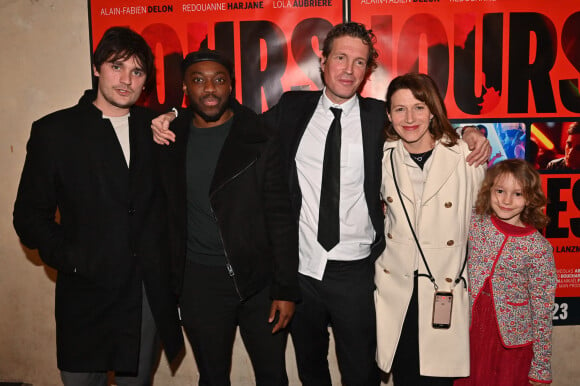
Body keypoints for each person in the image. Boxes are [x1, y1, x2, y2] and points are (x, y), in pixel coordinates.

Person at [151, 23, 490, 386]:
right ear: (323, 62)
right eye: (340, 58)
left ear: (368, 70)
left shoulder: (381, 119)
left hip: (357, 272)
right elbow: (234, 121)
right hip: (302, 271)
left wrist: (471, 133)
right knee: (311, 370)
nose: (348, 69)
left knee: (362, 373)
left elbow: (424, 127)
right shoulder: (293, 109)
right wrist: (175, 113)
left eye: (359, 62)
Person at [13, 27, 184, 385]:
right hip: (84, 292)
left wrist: (173, 114)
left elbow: (212, 113)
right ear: (96, 68)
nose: (126, 80)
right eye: (116, 66)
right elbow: (29, 217)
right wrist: (73, 257)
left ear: (145, 80)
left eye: (136, 72)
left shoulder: (153, 128)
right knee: (80, 380)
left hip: (142, 294)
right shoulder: (54, 131)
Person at [157, 49, 299, 386]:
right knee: (212, 377)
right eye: (199, 80)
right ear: (186, 89)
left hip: (259, 282)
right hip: (198, 284)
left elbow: (280, 214)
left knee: (272, 375)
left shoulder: (259, 135)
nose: (209, 88)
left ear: (231, 86)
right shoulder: (169, 139)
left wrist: (286, 288)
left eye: (219, 79)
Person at [374, 73, 486, 385]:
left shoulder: (466, 156)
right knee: (406, 377)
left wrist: (472, 132)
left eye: (419, 107)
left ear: (433, 110)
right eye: (399, 109)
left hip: (443, 290)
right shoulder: (382, 158)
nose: (409, 118)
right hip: (399, 292)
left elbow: (482, 220)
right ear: (388, 115)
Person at [455, 159, 556, 385]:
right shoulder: (475, 222)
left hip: (512, 344)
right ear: (489, 190)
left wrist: (541, 366)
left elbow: (542, 310)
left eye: (517, 194)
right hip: (469, 332)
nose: (506, 200)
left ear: (530, 198)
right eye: (500, 191)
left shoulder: (538, 248)